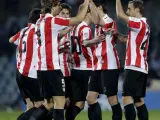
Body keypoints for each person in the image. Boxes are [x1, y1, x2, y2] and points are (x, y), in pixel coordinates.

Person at [29, 0, 91, 120]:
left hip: (41, 68)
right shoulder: (52, 20)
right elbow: (78, 19)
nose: (59, 8)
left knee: (49, 104)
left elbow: (53, 37)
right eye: (58, 5)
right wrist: (86, 3)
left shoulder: (39, 21)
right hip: (52, 67)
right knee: (60, 102)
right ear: (52, 6)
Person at [86, 1, 122, 120]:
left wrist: (90, 2)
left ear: (100, 7)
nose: (90, 12)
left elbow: (98, 20)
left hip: (109, 66)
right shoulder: (97, 25)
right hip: (97, 66)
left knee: (111, 98)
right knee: (90, 98)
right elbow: (96, 21)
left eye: (93, 8)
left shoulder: (108, 20)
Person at [116, 0, 150, 120]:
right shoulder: (144, 24)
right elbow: (130, 40)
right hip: (141, 67)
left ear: (137, 10)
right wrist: (117, 34)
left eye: (129, 9)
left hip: (134, 66)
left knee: (126, 98)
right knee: (138, 101)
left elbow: (120, 15)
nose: (127, 11)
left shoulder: (139, 22)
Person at [9, 8, 43, 120]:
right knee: (43, 106)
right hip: (30, 74)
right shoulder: (38, 32)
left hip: (19, 73)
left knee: (30, 106)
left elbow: (11, 40)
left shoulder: (23, 31)